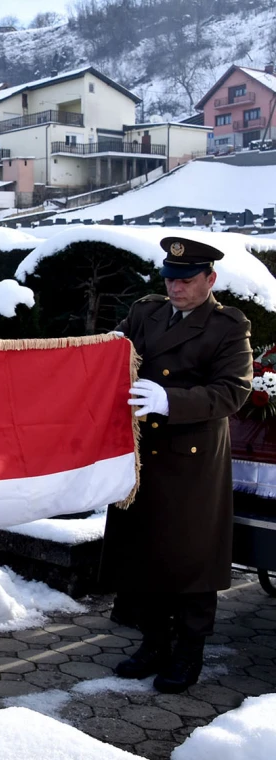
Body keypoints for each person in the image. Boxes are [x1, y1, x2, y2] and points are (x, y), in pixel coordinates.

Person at [105, 236, 252, 694]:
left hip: (191, 457)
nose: (176, 288)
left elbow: (233, 391)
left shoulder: (228, 326)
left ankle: (188, 651)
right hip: (141, 450)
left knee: (190, 557)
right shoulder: (147, 311)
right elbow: (120, 347)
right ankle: (153, 641)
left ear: (211, 278)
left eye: (187, 280)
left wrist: (171, 399)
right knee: (145, 550)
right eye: (170, 278)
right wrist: (106, 349)